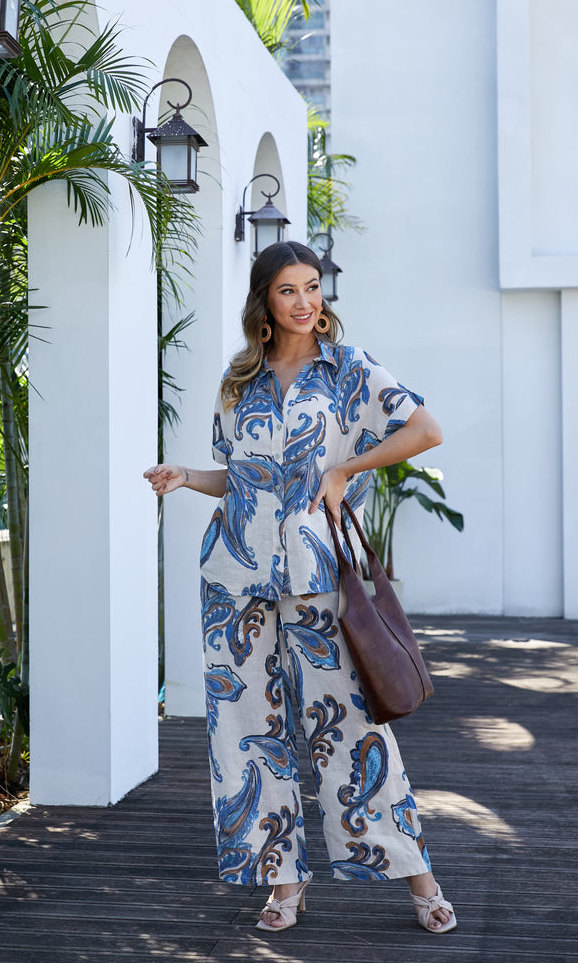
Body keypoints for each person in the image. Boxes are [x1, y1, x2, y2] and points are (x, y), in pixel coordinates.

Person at [144, 241, 457, 935]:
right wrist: (187, 477)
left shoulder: (348, 369)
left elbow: (425, 430)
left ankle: (419, 876)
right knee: (248, 737)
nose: (307, 301)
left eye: (313, 287)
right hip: (234, 580)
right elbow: (244, 479)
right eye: (290, 290)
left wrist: (346, 470)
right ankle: (283, 885)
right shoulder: (238, 383)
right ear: (265, 302)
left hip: (317, 579)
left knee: (352, 729)